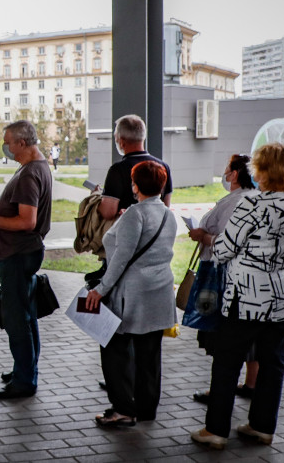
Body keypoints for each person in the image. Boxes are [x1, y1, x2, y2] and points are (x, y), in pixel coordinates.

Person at [191, 142, 284, 450]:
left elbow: (225, 248)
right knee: (273, 363)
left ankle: (216, 430)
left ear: (262, 170)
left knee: (227, 362)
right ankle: (261, 427)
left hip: (246, 296)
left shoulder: (251, 204)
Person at [85, 161, 178, 427]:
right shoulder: (167, 214)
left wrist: (100, 290)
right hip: (159, 292)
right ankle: (147, 408)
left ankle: (124, 409)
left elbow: (120, 259)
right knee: (150, 355)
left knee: (114, 349)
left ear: (135, 185)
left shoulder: (134, 215)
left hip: (132, 295)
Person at [0, 121, 52, 399]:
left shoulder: (29, 174)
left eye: (8, 142)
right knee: (26, 314)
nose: (5, 147)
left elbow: (27, 220)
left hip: (18, 254)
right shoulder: (37, 167)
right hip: (23, 253)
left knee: (16, 319)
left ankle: (24, 380)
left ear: (22, 143)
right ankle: (24, 369)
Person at [187, 154, 260, 404]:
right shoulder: (252, 198)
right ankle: (250, 384)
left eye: (227, 169)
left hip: (224, 275)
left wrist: (203, 236)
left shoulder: (237, 201)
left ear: (236, 174)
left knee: (222, 336)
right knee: (245, 338)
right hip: (244, 279)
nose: (224, 174)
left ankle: (220, 391)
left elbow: (228, 243)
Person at [87, 115, 173, 284]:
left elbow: (109, 212)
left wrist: (97, 197)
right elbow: (165, 207)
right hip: (154, 247)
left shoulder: (118, 170)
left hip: (125, 247)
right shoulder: (163, 167)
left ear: (121, 141)